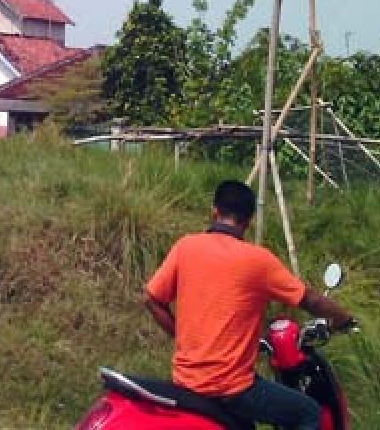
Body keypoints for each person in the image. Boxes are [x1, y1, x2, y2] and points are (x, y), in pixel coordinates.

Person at [145, 180, 355, 430]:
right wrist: (343, 317)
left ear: (215, 211)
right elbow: (310, 299)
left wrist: (182, 336)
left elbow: (152, 299)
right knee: (309, 413)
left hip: (186, 383)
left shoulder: (186, 247)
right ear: (248, 220)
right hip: (231, 389)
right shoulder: (258, 260)